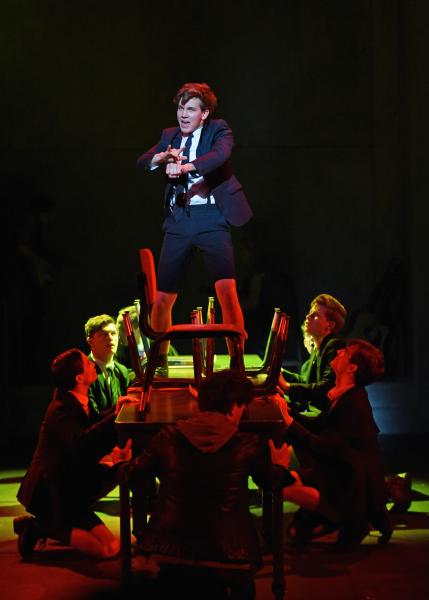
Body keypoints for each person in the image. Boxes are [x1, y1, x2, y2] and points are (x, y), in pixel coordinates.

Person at [116, 370, 297, 599]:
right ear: (234, 406)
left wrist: (121, 462)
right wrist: (281, 466)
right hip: (232, 556)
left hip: (168, 554)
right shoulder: (247, 444)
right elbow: (272, 482)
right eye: (243, 406)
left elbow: (131, 476)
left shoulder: (167, 437)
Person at [136, 82, 252, 376]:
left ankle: (236, 360)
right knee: (164, 297)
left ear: (205, 113)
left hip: (212, 218)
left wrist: (185, 167)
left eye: (190, 109)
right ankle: (159, 361)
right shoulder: (170, 136)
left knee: (226, 290)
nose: (183, 115)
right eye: (180, 108)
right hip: (180, 220)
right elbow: (143, 161)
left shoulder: (219, 130)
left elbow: (219, 156)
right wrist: (162, 158)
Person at [273, 339, 392, 545]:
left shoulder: (353, 404)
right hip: (340, 473)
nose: (339, 352)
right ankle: (329, 522)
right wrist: (287, 411)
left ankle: (342, 519)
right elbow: (318, 425)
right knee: (286, 486)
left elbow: (322, 447)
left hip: (347, 485)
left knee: (282, 486)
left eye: (345, 352)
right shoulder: (346, 395)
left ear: (352, 368)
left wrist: (288, 422)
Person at [14, 349, 121, 559]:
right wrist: (115, 417)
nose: (92, 364)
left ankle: (48, 524)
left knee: (112, 546)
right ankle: (39, 526)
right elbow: (82, 442)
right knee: (108, 549)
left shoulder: (76, 398)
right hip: (54, 495)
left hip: (71, 488)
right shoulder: (61, 409)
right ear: (79, 378)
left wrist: (117, 408)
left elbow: (93, 420)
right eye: (87, 363)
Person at [278, 293, 347, 413]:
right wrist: (282, 373)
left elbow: (326, 388)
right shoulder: (318, 349)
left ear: (330, 325)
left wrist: (288, 387)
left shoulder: (335, 346)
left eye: (315, 315)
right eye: (310, 312)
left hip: (332, 421)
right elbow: (307, 382)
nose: (308, 316)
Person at [85, 314, 131, 412]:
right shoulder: (83, 372)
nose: (110, 338)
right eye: (104, 335)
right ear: (90, 341)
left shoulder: (122, 371)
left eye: (113, 333)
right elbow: (92, 416)